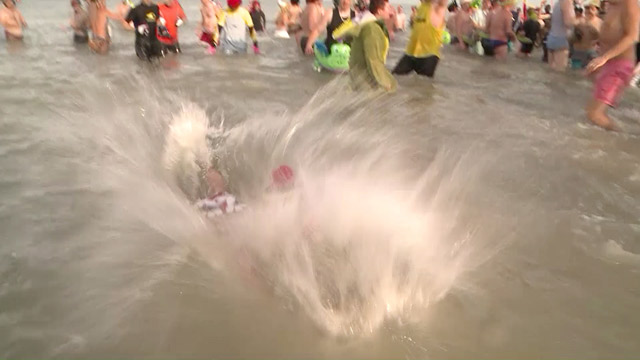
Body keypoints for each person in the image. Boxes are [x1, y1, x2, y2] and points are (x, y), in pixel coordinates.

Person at [585, 0, 639, 130]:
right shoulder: (613, 5)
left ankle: (623, 136)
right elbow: (614, 31)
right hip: (609, 63)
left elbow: (632, 36)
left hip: (619, 65)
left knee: (595, 114)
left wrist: (604, 58)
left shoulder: (629, 4)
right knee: (590, 112)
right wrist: (599, 42)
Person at [341, 0, 396, 91]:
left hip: (358, 77)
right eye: (388, 8)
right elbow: (372, 59)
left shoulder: (369, 24)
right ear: (379, 11)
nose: (390, 11)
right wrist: (385, 82)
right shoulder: (371, 28)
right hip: (365, 81)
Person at [393, 0, 447, 78]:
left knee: (424, 86)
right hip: (410, 53)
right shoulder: (420, 7)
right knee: (394, 77)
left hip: (428, 55)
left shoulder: (437, 7)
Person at [570, 0, 601, 68]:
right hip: (577, 52)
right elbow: (569, 36)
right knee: (574, 74)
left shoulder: (600, 23)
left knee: (590, 74)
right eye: (587, 8)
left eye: (592, 8)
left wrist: (597, 38)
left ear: (597, 10)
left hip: (591, 52)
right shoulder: (579, 20)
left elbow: (605, 39)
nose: (589, 11)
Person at [547, 0, 576, 71]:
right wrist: (580, 21)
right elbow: (568, 22)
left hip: (552, 37)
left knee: (551, 72)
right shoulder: (567, 2)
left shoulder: (558, 2)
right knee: (560, 74)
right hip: (562, 39)